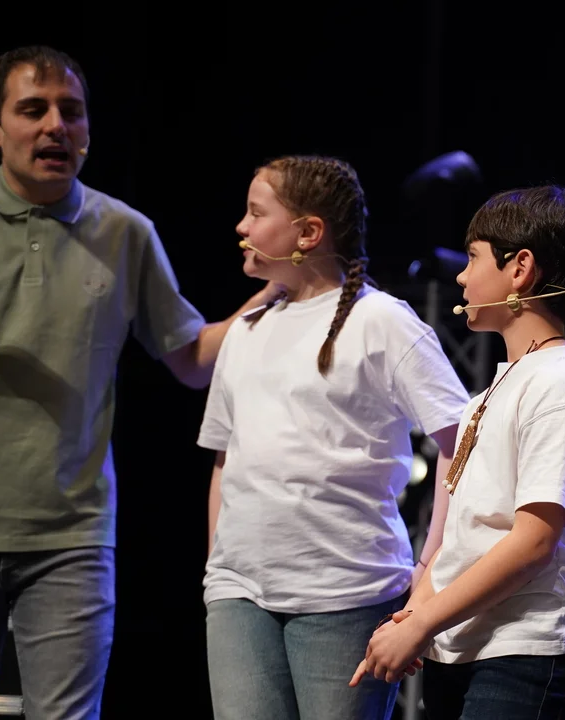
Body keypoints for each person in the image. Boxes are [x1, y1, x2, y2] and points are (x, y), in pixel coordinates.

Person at [0, 46, 281, 720]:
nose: (56, 126)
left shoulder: (124, 232)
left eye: (72, 111)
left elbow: (191, 359)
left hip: (72, 536)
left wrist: (280, 288)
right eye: (33, 110)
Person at [196, 154, 470, 720]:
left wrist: (430, 565)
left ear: (308, 233)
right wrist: (218, 567)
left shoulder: (381, 321)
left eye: (256, 213)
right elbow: (226, 458)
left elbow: (460, 440)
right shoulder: (245, 332)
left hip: (347, 593)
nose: (241, 227)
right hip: (239, 595)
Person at [351, 185, 565, 720]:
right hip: (468, 646)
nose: (461, 276)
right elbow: (461, 535)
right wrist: (413, 617)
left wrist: (425, 622)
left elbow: (533, 541)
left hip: (529, 653)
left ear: (520, 269)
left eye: (473, 257)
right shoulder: (490, 395)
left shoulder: (560, 385)